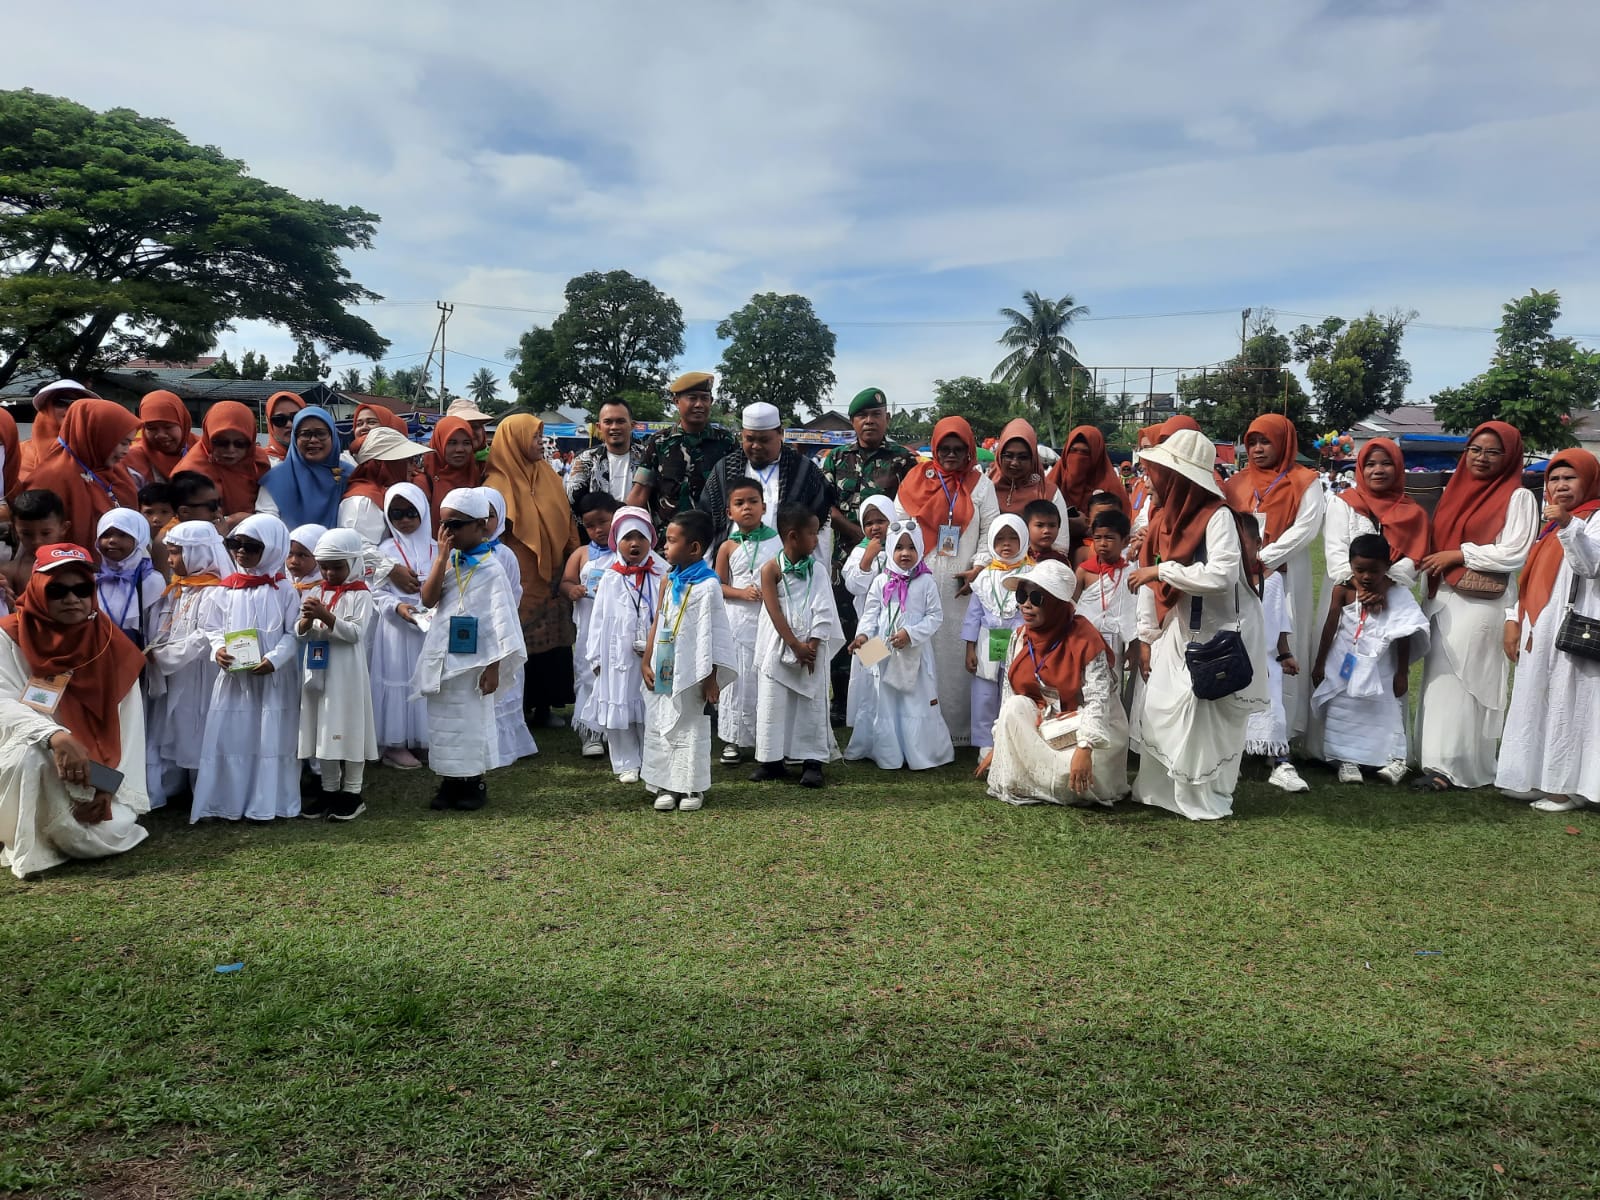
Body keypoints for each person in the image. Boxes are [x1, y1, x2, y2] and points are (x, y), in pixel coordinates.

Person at [1129, 429, 1268, 821]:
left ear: (1177, 478)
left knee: (1206, 713)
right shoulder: (1163, 520)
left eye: (1158, 472)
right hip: (1180, 627)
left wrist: (1163, 570)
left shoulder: (1218, 516)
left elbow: (1221, 575)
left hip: (1222, 630)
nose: (1150, 480)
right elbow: (1146, 581)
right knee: (1161, 705)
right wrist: (1147, 636)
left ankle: (1203, 796)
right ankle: (1161, 792)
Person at [0, 543, 150, 878]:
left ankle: (42, 831)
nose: (72, 599)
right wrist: (54, 735)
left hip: (92, 774)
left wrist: (108, 788)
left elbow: (129, 726)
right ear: (38, 591)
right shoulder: (9, 634)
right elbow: (1, 701)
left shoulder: (112, 644)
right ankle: (33, 843)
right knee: (28, 757)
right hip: (24, 756)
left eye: (82, 589)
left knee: (103, 833)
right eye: (58, 591)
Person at [1413, 421, 1537, 791]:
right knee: (1439, 680)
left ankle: (1459, 766)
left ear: (1510, 455)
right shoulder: (1454, 490)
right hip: (1443, 599)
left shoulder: (1518, 497)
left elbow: (1514, 552)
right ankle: (1433, 760)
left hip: (1481, 603)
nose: (1482, 458)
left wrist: (1459, 553)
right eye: (1475, 450)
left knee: (1470, 682)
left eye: (1493, 452)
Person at [1496, 449, 1600, 812]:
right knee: (1536, 698)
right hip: (1539, 626)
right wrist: (1514, 618)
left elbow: (1590, 565)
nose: (1560, 485)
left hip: (1575, 626)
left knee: (1569, 703)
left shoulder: (1594, 517)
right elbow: (1530, 578)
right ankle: (1534, 777)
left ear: (1587, 480)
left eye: (1569, 478)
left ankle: (1563, 788)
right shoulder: (1552, 524)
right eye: (1554, 479)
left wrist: (1572, 525)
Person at [412, 488, 527, 812]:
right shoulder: (450, 563)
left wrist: (494, 667)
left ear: (481, 526)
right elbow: (427, 599)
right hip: (445, 657)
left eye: (457, 525)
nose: (449, 532)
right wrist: (439, 558)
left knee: (470, 721)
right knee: (444, 722)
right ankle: (449, 781)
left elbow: (500, 621)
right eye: (444, 524)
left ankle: (473, 781)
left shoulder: (493, 570)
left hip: (475, 662)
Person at [983, 559, 1130, 807]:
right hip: (1047, 720)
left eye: (1037, 598)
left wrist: (1085, 747)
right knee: (1014, 706)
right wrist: (1002, 743)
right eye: (1022, 595)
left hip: (1087, 726)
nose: (1026, 605)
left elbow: (1098, 701)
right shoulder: (1019, 638)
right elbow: (1009, 697)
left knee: (1071, 781)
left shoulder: (1085, 639)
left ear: (1057, 604)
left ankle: (1056, 772)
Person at [894, 416, 998, 748]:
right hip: (919, 581)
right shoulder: (915, 478)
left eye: (959, 449)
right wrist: (908, 566)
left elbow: (990, 534)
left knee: (956, 657)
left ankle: (958, 731)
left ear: (970, 450)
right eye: (945, 449)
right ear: (935, 448)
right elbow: (900, 525)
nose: (952, 455)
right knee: (922, 651)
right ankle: (919, 729)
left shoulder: (982, 485)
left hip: (962, 587)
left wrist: (979, 567)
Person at [191, 514, 302, 823]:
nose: (241, 552)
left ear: (272, 549)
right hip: (234, 678)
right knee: (233, 736)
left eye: (251, 547)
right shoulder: (225, 590)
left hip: (273, 679)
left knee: (270, 736)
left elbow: (295, 633)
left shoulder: (285, 591)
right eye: (235, 544)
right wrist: (218, 650)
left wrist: (276, 659)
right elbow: (212, 627)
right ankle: (227, 800)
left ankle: (268, 801)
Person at [1223, 415, 1324, 739]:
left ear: (1283, 442)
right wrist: (1246, 559)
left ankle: (1282, 730)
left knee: (1284, 641)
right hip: (1241, 574)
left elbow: (1308, 527)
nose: (1257, 449)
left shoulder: (1304, 480)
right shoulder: (1236, 483)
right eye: (1252, 442)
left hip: (1288, 571)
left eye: (1265, 441)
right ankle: (1240, 730)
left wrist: (1266, 556)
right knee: (1243, 642)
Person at [482, 414, 580, 729]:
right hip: (516, 578)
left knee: (552, 644)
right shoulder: (495, 483)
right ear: (515, 439)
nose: (541, 443)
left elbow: (567, 519)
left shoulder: (548, 475)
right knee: (517, 639)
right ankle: (517, 708)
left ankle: (545, 706)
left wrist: (571, 555)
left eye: (541, 436)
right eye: (535, 437)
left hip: (552, 573)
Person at [1310, 533, 1429, 786]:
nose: (1366, 577)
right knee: (1345, 707)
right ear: (1350, 565)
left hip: (1383, 667)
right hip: (1345, 662)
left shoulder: (1398, 593)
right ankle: (1346, 760)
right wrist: (1320, 662)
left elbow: (1404, 633)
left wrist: (1402, 673)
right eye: (1359, 569)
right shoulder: (1342, 590)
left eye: (1374, 571)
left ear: (1387, 567)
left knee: (1384, 711)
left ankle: (1394, 759)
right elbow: (1330, 626)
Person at [640, 509, 739, 812]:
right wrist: (646, 659)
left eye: (670, 542)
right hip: (665, 663)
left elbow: (715, 634)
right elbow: (658, 619)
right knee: (661, 722)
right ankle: (665, 784)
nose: (664, 548)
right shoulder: (668, 581)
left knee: (690, 725)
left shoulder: (709, 586)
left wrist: (710, 677)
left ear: (694, 548)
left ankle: (692, 787)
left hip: (694, 670)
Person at [845, 519, 954, 771]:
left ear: (919, 550)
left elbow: (935, 616)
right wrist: (862, 636)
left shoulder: (926, 581)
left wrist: (911, 633)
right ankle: (887, 751)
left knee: (912, 697)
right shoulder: (881, 581)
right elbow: (870, 614)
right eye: (899, 548)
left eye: (911, 548)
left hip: (913, 650)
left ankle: (918, 751)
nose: (905, 553)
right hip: (882, 649)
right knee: (882, 696)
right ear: (890, 549)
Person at [751, 503, 843, 787]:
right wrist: (794, 645)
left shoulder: (817, 570)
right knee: (772, 703)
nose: (816, 539)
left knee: (811, 703)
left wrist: (812, 644)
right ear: (793, 537)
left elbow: (824, 607)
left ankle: (812, 761)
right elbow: (773, 610)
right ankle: (772, 760)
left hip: (811, 647)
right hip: (779, 644)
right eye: (812, 534)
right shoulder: (769, 569)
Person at [295, 528, 378, 820]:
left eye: (337, 566)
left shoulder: (361, 595)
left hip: (347, 674)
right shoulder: (317, 591)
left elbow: (355, 633)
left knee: (349, 727)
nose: (329, 573)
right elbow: (300, 632)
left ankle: (352, 792)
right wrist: (305, 620)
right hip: (318, 670)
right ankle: (329, 790)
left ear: (353, 563)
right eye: (325, 566)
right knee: (323, 727)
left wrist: (325, 616)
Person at [144, 521, 228, 807]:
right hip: (179, 671)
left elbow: (206, 636)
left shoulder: (215, 591)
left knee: (198, 725)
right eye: (169, 552)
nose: (169, 560)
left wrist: (165, 657)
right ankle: (173, 785)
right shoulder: (181, 588)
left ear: (197, 552)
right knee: (177, 723)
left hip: (200, 673)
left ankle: (203, 789)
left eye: (176, 553)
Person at [580, 506, 664, 784]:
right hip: (618, 654)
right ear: (617, 541)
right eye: (628, 537)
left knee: (648, 705)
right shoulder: (611, 577)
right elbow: (598, 619)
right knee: (621, 705)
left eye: (641, 537)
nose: (635, 543)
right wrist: (594, 657)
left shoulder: (661, 572)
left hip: (652, 652)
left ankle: (652, 758)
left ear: (651, 539)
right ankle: (626, 761)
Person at [697, 402, 835, 561]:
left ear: (780, 434)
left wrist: (817, 573)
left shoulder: (803, 470)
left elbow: (819, 527)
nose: (756, 446)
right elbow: (708, 522)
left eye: (764, 440)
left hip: (787, 571)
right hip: (734, 570)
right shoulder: (725, 469)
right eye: (750, 439)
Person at [1236, 512, 1306, 793]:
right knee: (1230, 711)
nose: (1239, 551)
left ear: (1258, 543)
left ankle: (1281, 761)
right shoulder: (1222, 577)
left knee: (1273, 709)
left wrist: (1285, 653)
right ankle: (1230, 760)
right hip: (1231, 658)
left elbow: (1279, 620)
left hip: (1264, 660)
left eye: (1245, 543)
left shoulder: (1273, 579)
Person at [713, 478, 780, 764]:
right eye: (739, 504)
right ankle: (732, 739)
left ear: (764, 507)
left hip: (768, 620)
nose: (747, 508)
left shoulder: (776, 542)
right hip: (737, 622)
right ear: (730, 512)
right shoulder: (727, 547)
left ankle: (768, 739)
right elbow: (717, 585)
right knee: (736, 679)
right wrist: (740, 592)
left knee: (764, 676)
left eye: (753, 502)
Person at [21, 398, 140, 558]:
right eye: (122, 443)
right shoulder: (52, 478)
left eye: (129, 443)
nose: (127, 451)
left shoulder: (115, 472)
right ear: (97, 436)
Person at [371, 484, 435, 770]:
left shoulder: (436, 548)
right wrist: (397, 607)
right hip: (395, 629)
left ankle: (421, 739)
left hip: (429, 626)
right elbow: (373, 591)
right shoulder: (384, 552)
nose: (404, 520)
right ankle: (395, 743)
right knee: (398, 679)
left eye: (411, 512)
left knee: (425, 679)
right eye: (396, 513)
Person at [626, 371, 736, 536]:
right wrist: (630, 533)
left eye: (704, 399)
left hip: (714, 541)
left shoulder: (726, 442)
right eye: (692, 398)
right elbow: (639, 493)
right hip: (668, 544)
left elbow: (740, 491)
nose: (699, 404)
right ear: (676, 401)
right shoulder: (659, 442)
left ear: (711, 402)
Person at [478, 486, 539, 768]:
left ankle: (506, 746)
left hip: (501, 627)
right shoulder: (460, 554)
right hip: (472, 630)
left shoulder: (504, 555)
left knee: (504, 683)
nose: (483, 522)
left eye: (489, 516)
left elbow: (514, 593)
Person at [961, 514, 1032, 754]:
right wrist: (969, 648)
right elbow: (973, 615)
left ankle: (1012, 740)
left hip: (1020, 642)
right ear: (991, 541)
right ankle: (985, 743)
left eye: (1013, 538)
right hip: (986, 641)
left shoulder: (1032, 573)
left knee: (1014, 689)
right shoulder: (983, 577)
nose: (1006, 544)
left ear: (1023, 539)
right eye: (1000, 538)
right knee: (984, 694)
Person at [819, 387, 919, 552]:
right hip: (844, 556)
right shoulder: (836, 458)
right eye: (862, 415)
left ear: (887, 418)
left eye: (876, 414)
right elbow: (824, 504)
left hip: (888, 556)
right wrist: (856, 533)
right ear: (852, 421)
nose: (869, 421)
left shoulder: (904, 459)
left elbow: (913, 509)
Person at [840, 495, 896, 731]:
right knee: (871, 675)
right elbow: (854, 586)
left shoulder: (900, 547)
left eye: (881, 521)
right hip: (870, 629)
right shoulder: (860, 552)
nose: (875, 527)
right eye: (869, 522)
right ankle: (870, 725)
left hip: (895, 626)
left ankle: (893, 721)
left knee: (893, 674)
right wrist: (867, 558)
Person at [172, 401, 270, 529]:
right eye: (221, 443)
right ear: (208, 438)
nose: (231, 449)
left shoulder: (259, 463)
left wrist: (249, 520)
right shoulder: (189, 474)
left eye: (240, 444)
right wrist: (231, 521)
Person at [1074, 507, 1137, 695]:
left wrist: (1134, 645)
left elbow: (1133, 611)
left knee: (1113, 688)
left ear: (1125, 541)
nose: (1102, 544)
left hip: (1116, 641)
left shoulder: (1131, 572)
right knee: (1085, 688)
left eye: (1109, 538)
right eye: (1098, 537)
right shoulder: (1084, 571)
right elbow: (1072, 607)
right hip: (1086, 640)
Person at [257, 407, 346, 530]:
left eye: (321, 433)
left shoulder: (349, 475)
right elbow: (267, 527)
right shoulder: (276, 481)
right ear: (295, 439)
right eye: (305, 434)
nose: (313, 440)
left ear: (333, 436)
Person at [94, 510, 164, 651]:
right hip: (98, 658)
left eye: (123, 534)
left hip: (139, 660)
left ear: (139, 538)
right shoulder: (94, 580)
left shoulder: (152, 581)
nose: (112, 540)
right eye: (106, 535)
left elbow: (157, 633)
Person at [565, 398, 642, 507]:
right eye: (608, 422)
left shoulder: (647, 457)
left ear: (632, 425)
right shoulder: (585, 459)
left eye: (620, 421)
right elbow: (573, 500)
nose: (614, 427)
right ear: (599, 427)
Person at [17, 380, 97, 477]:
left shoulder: (103, 452)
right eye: (61, 403)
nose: (70, 409)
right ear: (46, 409)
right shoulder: (21, 452)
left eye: (78, 404)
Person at [3, 490, 70, 600]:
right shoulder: (10, 572)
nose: (37, 541)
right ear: (15, 530)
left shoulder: (76, 566)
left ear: (63, 528)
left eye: (45, 533)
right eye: (27, 534)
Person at [120, 391, 196, 485]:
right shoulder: (130, 459)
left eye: (168, 427)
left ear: (183, 423)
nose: (161, 435)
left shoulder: (204, 451)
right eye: (151, 428)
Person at [422, 415, 483, 526]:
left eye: (466, 443)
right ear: (439, 443)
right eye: (452, 443)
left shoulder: (479, 475)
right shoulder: (423, 480)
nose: (460, 449)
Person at [264, 392, 305, 467]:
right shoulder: (261, 465)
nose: (289, 425)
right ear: (270, 423)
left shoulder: (321, 460)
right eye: (280, 420)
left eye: (296, 417)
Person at [1021, 499, 1068, 565]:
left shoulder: (1060, 561)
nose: (1047, 530)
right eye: (1040, 525)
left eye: (1052, 525)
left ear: (1059, 527)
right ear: (1026, 526)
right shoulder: (1017, 559)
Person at [286, 525, 326, 590]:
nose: (294, 561)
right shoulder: (281, 587)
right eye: (289, 554)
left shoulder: (328, 591)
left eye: (302, 555)